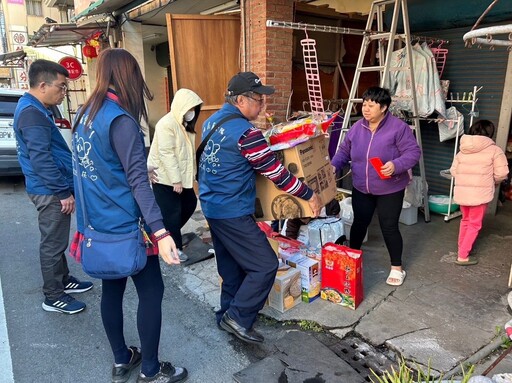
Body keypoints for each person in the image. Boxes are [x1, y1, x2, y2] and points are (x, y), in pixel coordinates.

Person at [72, 48, 187, 383]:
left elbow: (90, 169)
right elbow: (137, 181)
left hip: (98, 223)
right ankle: (150, 371)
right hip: (129, 225)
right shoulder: (120, 119)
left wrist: (133, 173)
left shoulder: (84, 115)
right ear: (128, 77)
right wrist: (162, 233)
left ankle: (123, 359)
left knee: (112, 289)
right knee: (152, 292)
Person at [197, 71, 323, 344]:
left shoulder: (212, 122)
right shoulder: (247, 133)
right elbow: (276, 174)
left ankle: (225, 314)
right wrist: (309, 194)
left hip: (211, 206)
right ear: (240, 99)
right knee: (265, 265)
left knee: (231, 266)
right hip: (232, 210)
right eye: (258, 99)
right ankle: (238, 317)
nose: (262, 105)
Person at [13, 59, 92, 315]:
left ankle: (64, 280)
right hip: (48, 190)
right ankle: (53, 295)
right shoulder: (32, 113)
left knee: (56, 239)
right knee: (52, 243)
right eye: (61, 87)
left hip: (49, 187)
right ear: (43, 85)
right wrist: (62, 192)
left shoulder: (37, 108)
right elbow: (41, 158)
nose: (64, 92)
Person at [331, 86, 421, 286]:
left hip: (390, 188)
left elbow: (413, 153)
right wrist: (334, 165)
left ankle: (397, 268)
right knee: (359, 223)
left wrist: (396, 165)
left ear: (384, 107)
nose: (366, 109)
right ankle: (352, 259)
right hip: (362, 186)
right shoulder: (357, 127)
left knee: (389, 227)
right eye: (364, 104)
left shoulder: (398, 128)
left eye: (371, 105)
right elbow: (344, 151)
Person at [148, 89, 203, 263]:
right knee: (171, 212)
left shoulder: (184, 126)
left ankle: (164, 235)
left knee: (190, 203)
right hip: (164, 178)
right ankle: (175, 249)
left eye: (194, 109)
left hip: (178, 178)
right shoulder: (166, 124)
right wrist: (176, 180)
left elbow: (188, 156)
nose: (191, 112)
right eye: (190, 108)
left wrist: (192, 176)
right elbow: (166, 153)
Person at [450, 120, 509, 265]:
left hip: (463, 193)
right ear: (490, 133)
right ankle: (463, 256)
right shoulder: (495, 150)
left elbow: (453, 171)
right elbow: (502, 173)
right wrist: (492, 181)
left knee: (465, 220)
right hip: (480, 195)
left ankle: (461, 249)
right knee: (474, 224)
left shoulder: (462, 150)